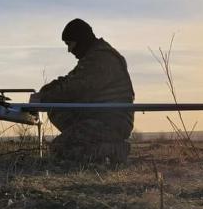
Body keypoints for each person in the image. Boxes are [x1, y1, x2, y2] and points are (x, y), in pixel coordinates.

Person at [30, 18, 134, 164]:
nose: (69, 50)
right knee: (56, 109)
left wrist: (42, 99)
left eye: (70, 44)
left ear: (80, 40)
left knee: (59, 150)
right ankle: (93, 144)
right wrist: (45, 92)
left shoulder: (101, 59)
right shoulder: (94, 56)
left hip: (111, 122)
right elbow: (70, 80)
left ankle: (114, 150)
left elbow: (75, 89)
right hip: (98, 116)